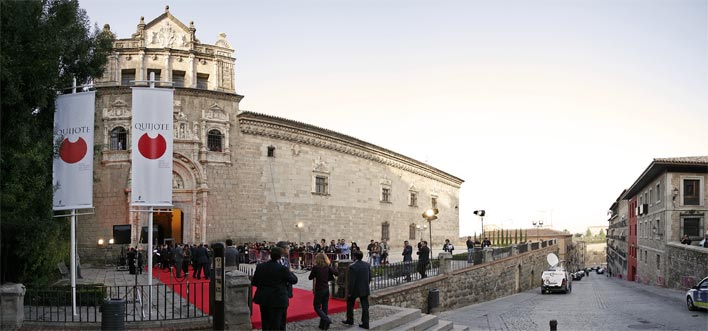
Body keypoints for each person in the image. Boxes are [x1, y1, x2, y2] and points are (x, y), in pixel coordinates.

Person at [252, 247, 298, 331]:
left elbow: (254, 282)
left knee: (265, 321)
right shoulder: (283, 269)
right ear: (280, 256)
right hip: (278, 299)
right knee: (277, 322)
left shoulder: (260, 267)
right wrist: (290, 271)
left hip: (264, 298)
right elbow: (294, 280)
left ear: (270, 255)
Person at [309, 252, 339, 330]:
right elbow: (336, 273)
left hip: (319, 290)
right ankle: (323, 326)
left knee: (317, 307)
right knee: (325, 307)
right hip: (326, 289)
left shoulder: (315, 268)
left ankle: (326, 320)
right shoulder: (328, 267)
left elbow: (310, 277)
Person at [343, 250, 371, 329]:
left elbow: (352, 281)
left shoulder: (353, 266)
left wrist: (350, 292)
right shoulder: (367, 265)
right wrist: (366, 286)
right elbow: (369, 278)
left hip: (355, 289)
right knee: (365, 306)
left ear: (354, 257)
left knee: (350, 303)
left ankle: (350, 319)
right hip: (364, 288)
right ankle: (366, 323)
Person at [276, 241, 295, 330]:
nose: (289, 250)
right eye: (288, 248)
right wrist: (290, 272)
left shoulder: (286, 260)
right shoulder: (275, 261)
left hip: (285, 291)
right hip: (277, 292)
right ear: (283, 249)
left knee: (283, 316)